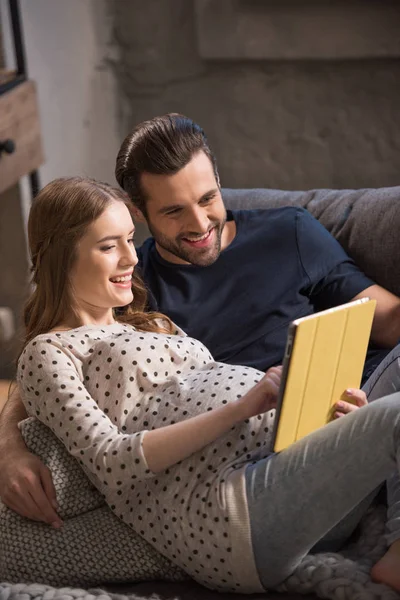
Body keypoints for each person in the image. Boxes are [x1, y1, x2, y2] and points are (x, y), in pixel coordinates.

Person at [2, 113, 400, 529]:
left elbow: (388, 319)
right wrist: (7, 448)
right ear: (138, 211)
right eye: (174, 211)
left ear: (219, 181)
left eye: (207, 199)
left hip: (358, 392)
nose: (199, 224)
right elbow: (47, 357)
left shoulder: (290, 232)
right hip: (268, 444)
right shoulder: (131, 287)